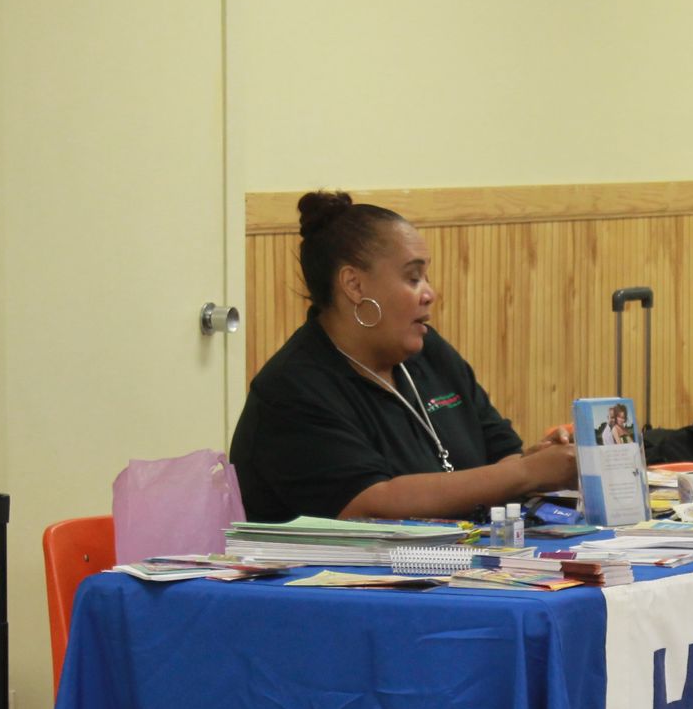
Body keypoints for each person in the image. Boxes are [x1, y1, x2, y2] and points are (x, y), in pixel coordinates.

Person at [230, 191, 576, 521]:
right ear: (354, 285)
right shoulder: (293, 388)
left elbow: (502, 456)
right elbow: (370, 505)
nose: (430, 293)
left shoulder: (428, 353)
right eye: (413, 278)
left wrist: (545, 460)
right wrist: (527, 473)